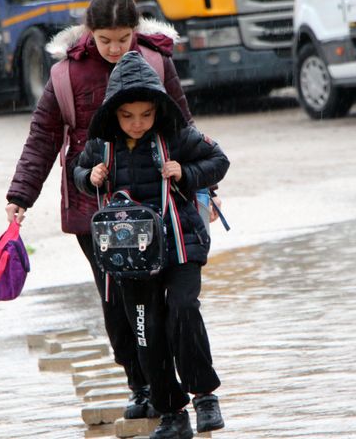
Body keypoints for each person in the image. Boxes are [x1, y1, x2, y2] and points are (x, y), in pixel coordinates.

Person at [4, 0, 195, 419]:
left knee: (160, 301)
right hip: (95, 214)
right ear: (90, 33)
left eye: (123, 39)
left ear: (135, 31)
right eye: (105, 40)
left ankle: (169, 388)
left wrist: (197, 181)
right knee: (116, 302)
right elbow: (43, 138)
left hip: (156, 206)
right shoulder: (65, 77)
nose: (114, 49)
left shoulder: (155, 62)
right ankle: (140, 385)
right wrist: (20, 195)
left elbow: (183, 127)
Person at [73, 51, 229, 439]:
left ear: (158, 108)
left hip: (180, 248)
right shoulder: (100, 146)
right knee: (146, 331)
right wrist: (88, 176)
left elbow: (219, 160)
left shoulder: (176, 136)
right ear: (113, 113)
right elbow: (76, 171)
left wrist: (186, 173)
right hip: (130, 259)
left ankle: (205, 395)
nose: (138, 123)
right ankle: (172, 413)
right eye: (128, 116)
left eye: (146, 114)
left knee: (182, 309)